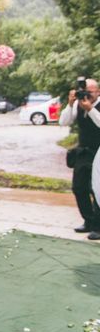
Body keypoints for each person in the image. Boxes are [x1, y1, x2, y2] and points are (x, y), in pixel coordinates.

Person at [60, 78, 100, 240]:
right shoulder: (79, 104)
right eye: (84, 91)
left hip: (99, 151)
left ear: (98, 92)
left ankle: (98, 225)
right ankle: (89, 220)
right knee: (79, 187)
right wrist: (70, 104)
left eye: (90, 92)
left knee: (97, 189)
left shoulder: (93, 106)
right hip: (84, 152)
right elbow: (64, 121)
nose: (87, 95)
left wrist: (90, 109)